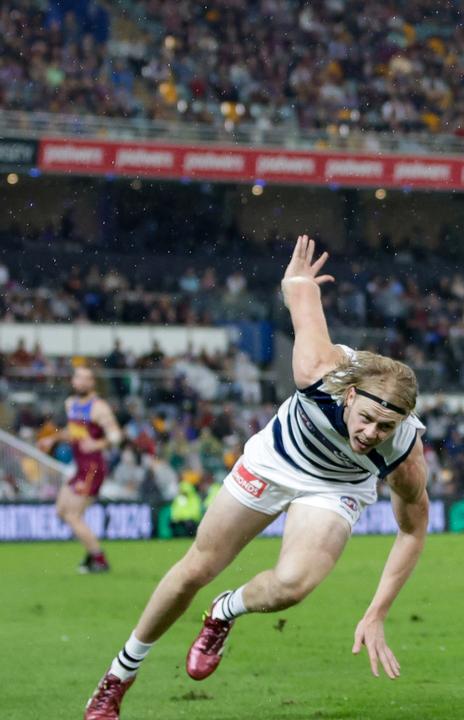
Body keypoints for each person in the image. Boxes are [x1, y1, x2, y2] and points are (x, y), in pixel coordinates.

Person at [84, 237, 430, 720]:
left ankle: (224, 611)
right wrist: (297, 280)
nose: (371, 433)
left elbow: (413, 530)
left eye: (385, 427)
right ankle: (118, 676)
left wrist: (377, 611)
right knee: (195, 570)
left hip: (335, 487)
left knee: (293, 585)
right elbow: (299, 296)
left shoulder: (404, 451)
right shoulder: (318, 370)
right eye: (368, 418)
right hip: (276, 459)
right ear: (350, 397)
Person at [38, 365, 123, 573]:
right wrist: (53, 438)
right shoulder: (71, 404)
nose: (81, 382)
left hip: (93, 468)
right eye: (78, 377)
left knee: (73, 516)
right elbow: (74, 432)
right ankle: (91, 550)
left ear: (92, 383)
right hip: (80, 467)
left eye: (86, 378)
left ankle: (98, 559)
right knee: (61, 510)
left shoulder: (98, 407)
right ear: (74, 381)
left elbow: (116, 436)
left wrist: (98, 444)